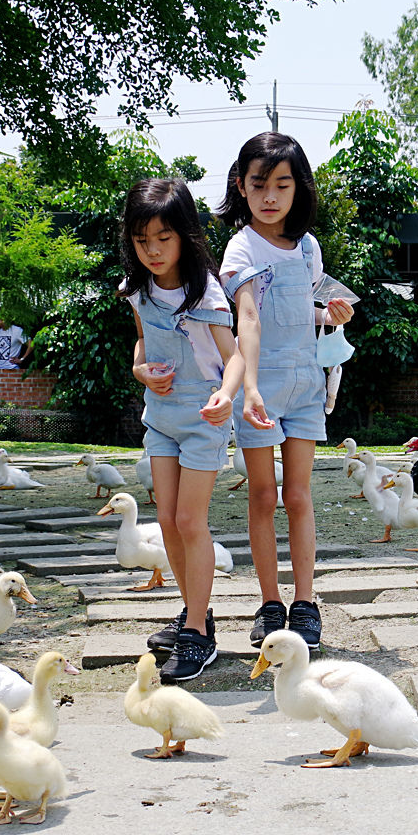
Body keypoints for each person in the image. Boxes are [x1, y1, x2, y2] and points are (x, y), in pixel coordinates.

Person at [217, 132, 354, 652]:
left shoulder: (310, 247)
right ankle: (270, 601)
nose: (270, 196)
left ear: (299, 188)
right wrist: (248, 387)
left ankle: (306, 603)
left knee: (298, 496)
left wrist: (333, 313)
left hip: (305, 386)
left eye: (282, 184)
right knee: (260, 494)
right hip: (259, 390)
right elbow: (247, 318)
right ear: (242, 187)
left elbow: (310, 309)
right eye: (259, 184)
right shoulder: (240, 247)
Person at [122, 178, 245, 683]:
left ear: (186, 236)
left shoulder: (206, 293)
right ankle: (197, 612)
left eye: (164, 238)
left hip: (202, 421)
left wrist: (225, 395)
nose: (153, 250)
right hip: (161, 420)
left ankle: (198, 634)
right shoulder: (136, 290)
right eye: (142, 240)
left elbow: (235, 356)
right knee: (168, 522)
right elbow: (141, 347)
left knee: (191, 522)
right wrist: (140, 371)